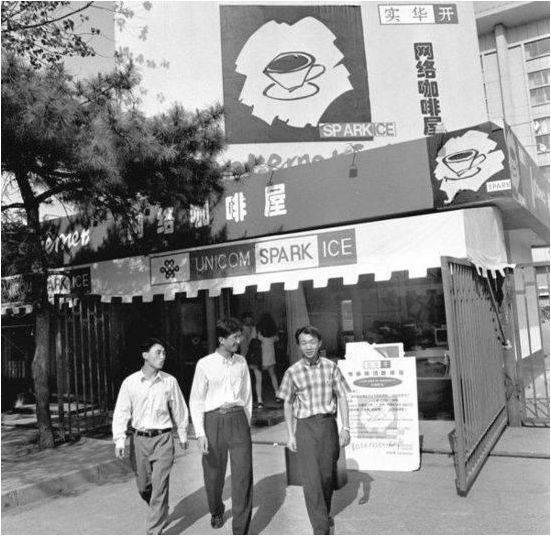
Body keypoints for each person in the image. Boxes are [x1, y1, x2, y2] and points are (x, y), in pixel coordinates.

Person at [277, 326, 351, 535]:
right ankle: (320, 529)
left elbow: (342, 397)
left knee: (326, 477)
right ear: (298, 346)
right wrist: (291, 434)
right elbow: (287, 404)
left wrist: (345, 427)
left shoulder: (331, 367)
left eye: (312, 342)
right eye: (303, 343)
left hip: (328, 425)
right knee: (311, 480)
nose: (308, 347)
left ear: (319, 343)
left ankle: (323, 514)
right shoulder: (292, 372)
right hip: (305, 428)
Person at [112, 337, 189, 535]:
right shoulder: (130, 383)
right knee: (144, 486)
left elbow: (179, 408)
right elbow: (121, 412)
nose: (163, 357)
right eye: (158, 353)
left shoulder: (169, 381)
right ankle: (160, 507)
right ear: (145, 355)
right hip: (139, 440)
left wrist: (182, 433)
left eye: (164, 353)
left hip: (163, 439)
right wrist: (119, 440)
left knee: (160, 485)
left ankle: (154, 530)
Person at [190, 317, 253, 535]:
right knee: (213, 473)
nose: (239, 341)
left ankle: (241, 529)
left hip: (238, 419)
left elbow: (247, 396)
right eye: (235, 337)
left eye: (239, 336)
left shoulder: (241, 362)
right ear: (221, 340)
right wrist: (200, 433)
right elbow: (196, 400)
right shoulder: (204, 364)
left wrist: (246, 424)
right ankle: (216, 509)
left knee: (243, 473)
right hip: (213, 421)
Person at [240, 312, 263, 408]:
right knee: (257, 378)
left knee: (246, 379)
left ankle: (248, 399)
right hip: (254, 357)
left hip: (245, 356)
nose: (248, 321)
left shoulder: (241, 330)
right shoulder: (255, 329)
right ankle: (259, 400)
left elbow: (241, 343)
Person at [256, 312, 280, 400]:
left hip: (261, 357)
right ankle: (277, 394)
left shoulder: (259, 333)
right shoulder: (273, 334)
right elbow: (277, 339)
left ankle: (259, 399)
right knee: (273, 375)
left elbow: (255, 340)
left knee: (258, 379)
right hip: (271, 358)